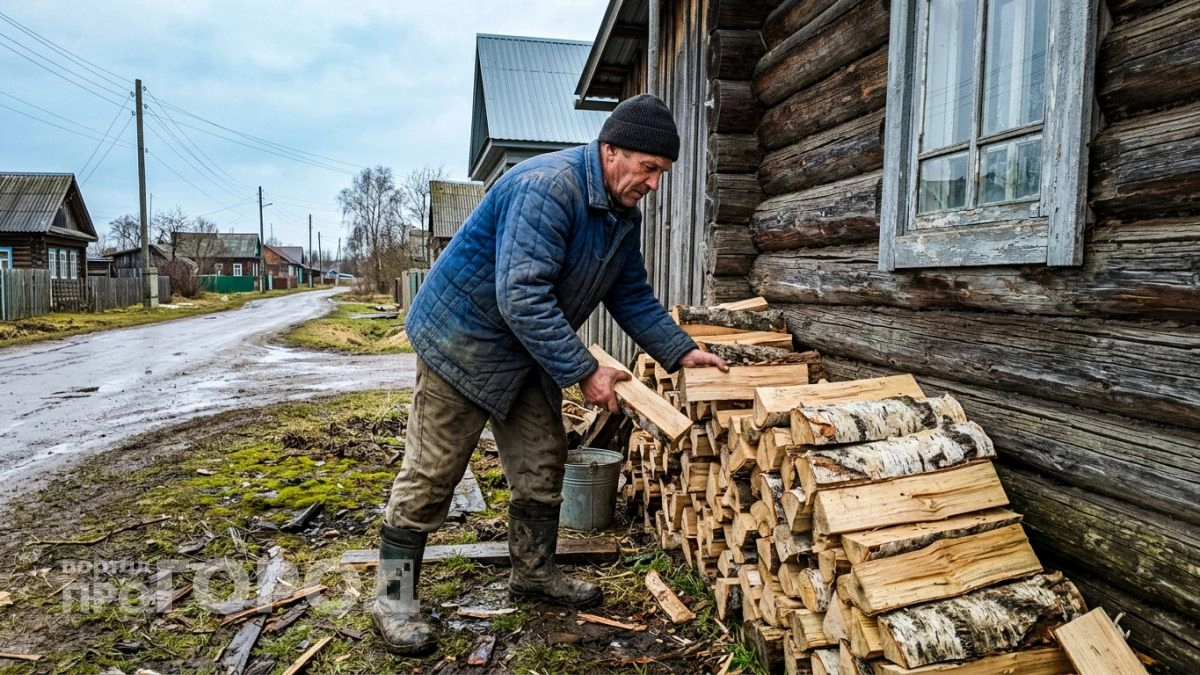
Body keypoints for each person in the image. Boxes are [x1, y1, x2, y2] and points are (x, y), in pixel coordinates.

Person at [370, 93, 728, 655]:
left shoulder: (619, 215)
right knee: (433, 474)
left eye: (662, 172)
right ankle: (393, 599)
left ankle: (533, 574)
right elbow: (522, 295)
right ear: (611, 151)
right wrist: (584, 370)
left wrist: (681, 352)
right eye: (649, 168)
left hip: (524, 349)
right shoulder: (547, 187)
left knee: (543, 460)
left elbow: (630, 294)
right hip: (461, 344)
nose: (654, 183)